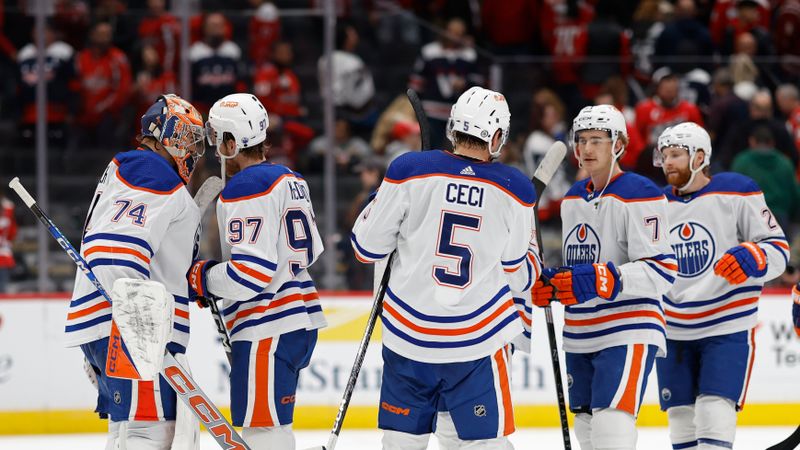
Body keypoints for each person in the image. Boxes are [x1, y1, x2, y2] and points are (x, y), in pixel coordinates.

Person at [351, 86, 539, 449]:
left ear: (454, 125)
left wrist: (387, 197)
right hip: (477, 340)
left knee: (402, 444)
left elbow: (364, 247)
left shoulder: (408, 170)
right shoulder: (516, 188)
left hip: (410, 337)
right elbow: (518, 270)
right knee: (484, 444)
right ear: (497, 135)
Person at [532, 104, 676, 450]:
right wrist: (554, 284)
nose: (586, 148)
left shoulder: (639, 192)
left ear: (619, 145)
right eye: (580, 140)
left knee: (612, 429)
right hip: (581, 331)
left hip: (628, 327)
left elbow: (663, 269)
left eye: (597, 139)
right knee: (587, 430)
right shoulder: (571, 199)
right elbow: (581, 267)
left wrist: (602, 279)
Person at [66, 94, 206, 448]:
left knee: (127, 431)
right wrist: (139, 329)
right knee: (151, 432)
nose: (193, 151)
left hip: (111, 323)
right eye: (188, 138)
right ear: (165, 134)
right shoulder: (152, 171)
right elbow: (113, 250)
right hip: (133, 330)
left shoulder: (132, 169)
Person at [188, 93, 326, 449]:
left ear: (233, 143)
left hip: (268, 325)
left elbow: (250, 275)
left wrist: (203, 277)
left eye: (219, 140)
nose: (216, 150)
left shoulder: (247, 187)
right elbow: (310, 252)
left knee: (264, 433)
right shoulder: (290, 179)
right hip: (297, 320)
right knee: (273, 427)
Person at [653, 122, 789, 450]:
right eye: (664, 155)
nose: (668, 162)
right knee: (681, 419)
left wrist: (753, 256)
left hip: (726, 324)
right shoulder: (655, 206)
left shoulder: (737, 191)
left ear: (700, 157)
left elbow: (778, 250)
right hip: (672, 330)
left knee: (715, 411)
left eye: (676, 154)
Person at [0, 186, 16, 293]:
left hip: (3, 258)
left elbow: (12, 233)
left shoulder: (6, 219)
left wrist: (9, 210)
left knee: (3, 289)